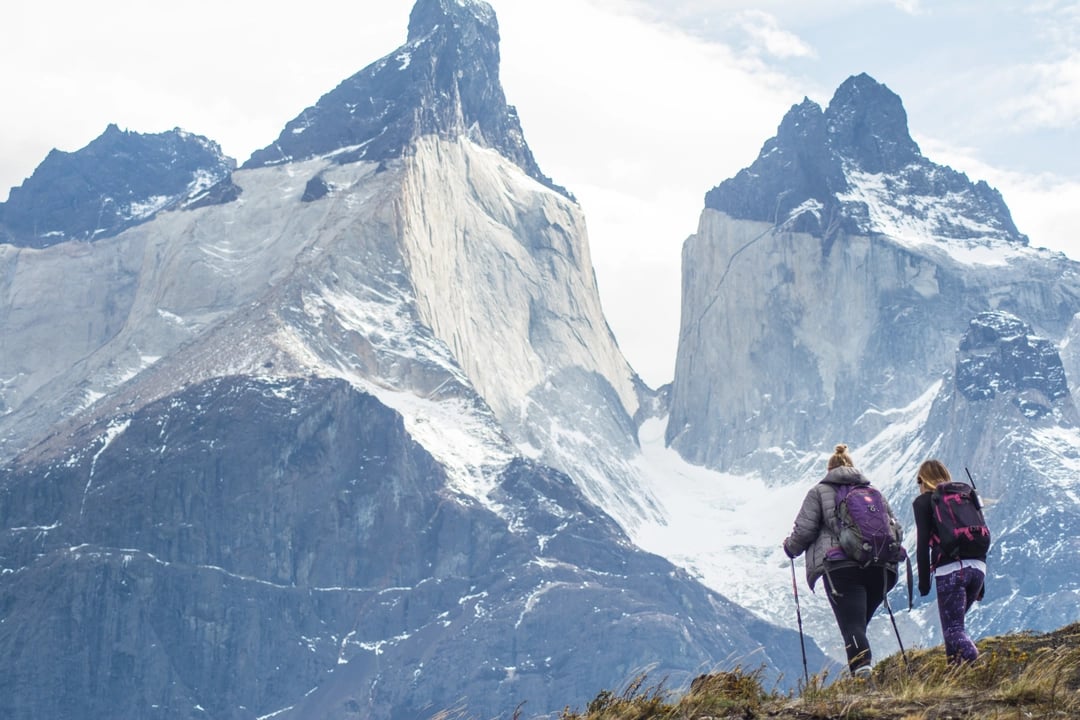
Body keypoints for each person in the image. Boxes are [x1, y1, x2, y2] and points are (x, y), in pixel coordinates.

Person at [782, 444, 901, 678]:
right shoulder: (873, 492)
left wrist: (789, 547)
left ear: (829, 469)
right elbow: (895, 527)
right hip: (880, 567)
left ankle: (863, 677)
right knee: (857, 624)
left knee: (852, 625)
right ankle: (860, 672)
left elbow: (804, 531)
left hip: (841, 567)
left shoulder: (818, 492)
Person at [913, 459, 986, 664]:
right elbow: (979, 531)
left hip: (952, 570)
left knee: (953, 630)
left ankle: (976, 661)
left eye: (918, 482)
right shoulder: (965, 497)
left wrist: (924, 582)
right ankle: (955, 676)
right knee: (954, 629)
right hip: (979, 568)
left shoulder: (925, 501)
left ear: (922, 481)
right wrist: (982, 586)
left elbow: (922, 544)